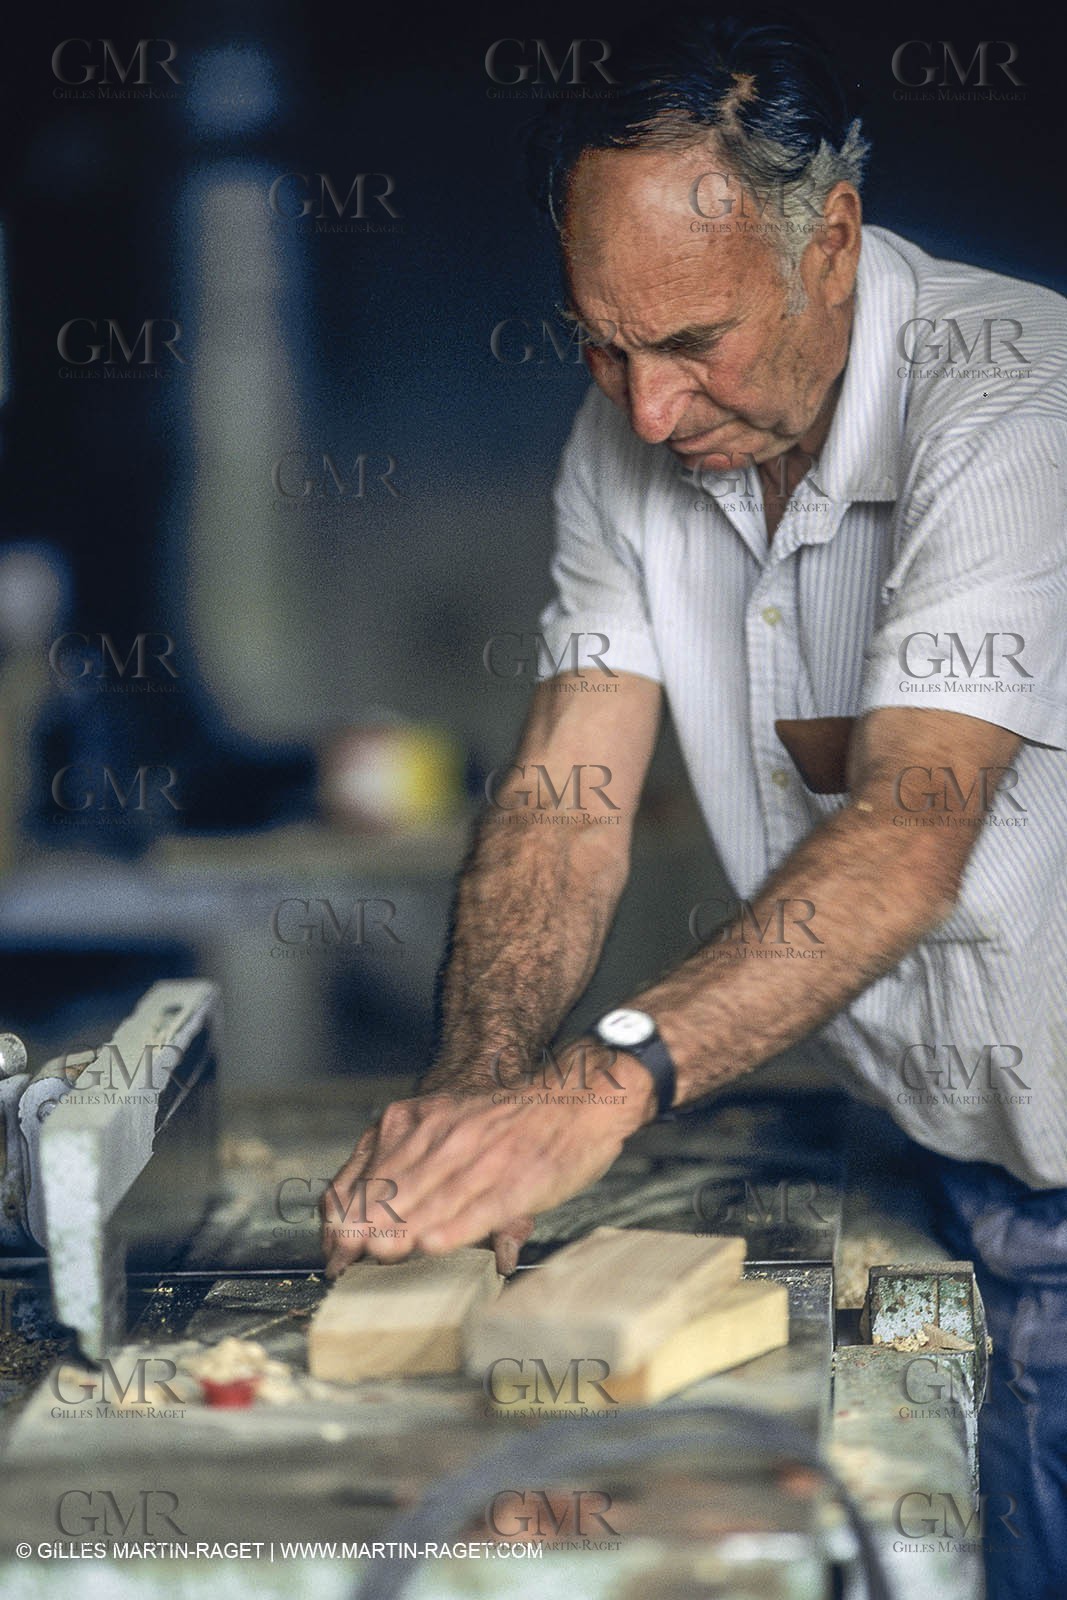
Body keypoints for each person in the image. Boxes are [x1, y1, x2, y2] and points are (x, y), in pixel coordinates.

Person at [322, 16, 1067, 1597]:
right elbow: (570, 793)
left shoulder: (1019, 408)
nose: (646, 412)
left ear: (838, 244)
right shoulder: (631, 436)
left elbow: (909, 837)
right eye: (604, 345)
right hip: (945, 1175)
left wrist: (592, 1091)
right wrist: (471, 1116)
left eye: (694, 344)